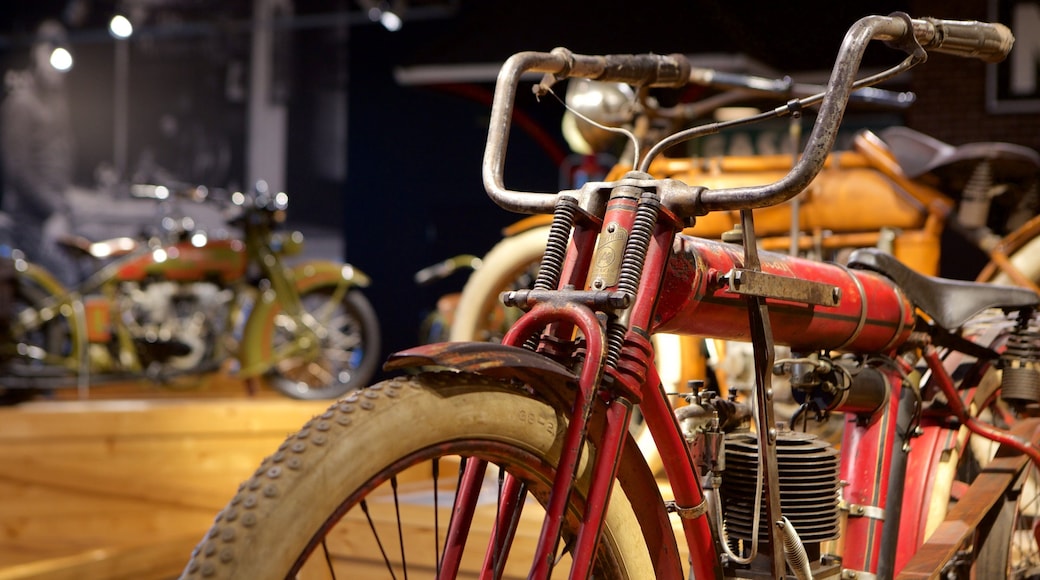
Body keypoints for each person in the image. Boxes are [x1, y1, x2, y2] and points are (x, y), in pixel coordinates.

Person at [1, 19, 77, 286]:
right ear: (38, 53)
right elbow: (17, 168)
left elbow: (59, 157)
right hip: (27, 219)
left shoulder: (57, 101)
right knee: (65, 279)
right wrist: (53, 209)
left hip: (52, 212)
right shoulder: (21, 102)